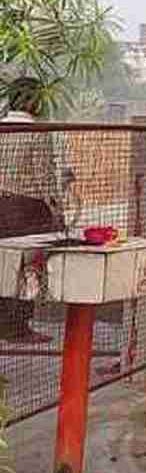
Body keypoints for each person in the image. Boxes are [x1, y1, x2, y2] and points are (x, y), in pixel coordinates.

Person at [0, 78, 57, 343]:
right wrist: (56, 208)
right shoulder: (38, 131)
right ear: (35, 100)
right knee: (28, 268)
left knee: (3, 266)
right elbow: (44, 176)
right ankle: (19, 327)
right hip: (27, 208)